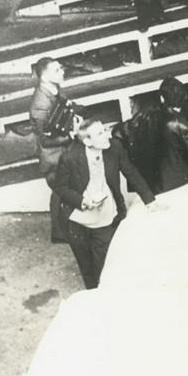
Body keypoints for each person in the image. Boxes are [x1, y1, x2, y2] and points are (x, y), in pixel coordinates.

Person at [55, 118, 160, 289]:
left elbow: (131, 172)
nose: (107, 135)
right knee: (86, 264)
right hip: (76, 219)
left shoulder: (115, 147)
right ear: (87, 141)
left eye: (105, 130)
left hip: (104, 215)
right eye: (100, 133)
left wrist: (150, 200)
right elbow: (60, 187)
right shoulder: (70, 157)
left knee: (104, 261)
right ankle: (93, 295)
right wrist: (82, 201)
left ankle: (105, 292)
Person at [29, 57, 81, 243]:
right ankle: (59, 233)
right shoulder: (40, 105)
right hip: (53, 157)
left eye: (61, 68)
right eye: (57, 70)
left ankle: (61, 231)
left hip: (60, 153)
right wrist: (71, 135)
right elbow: (45, 139)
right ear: (44, 77)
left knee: (62, 191)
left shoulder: (53, 90)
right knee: (60, 191)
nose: (62, 72)